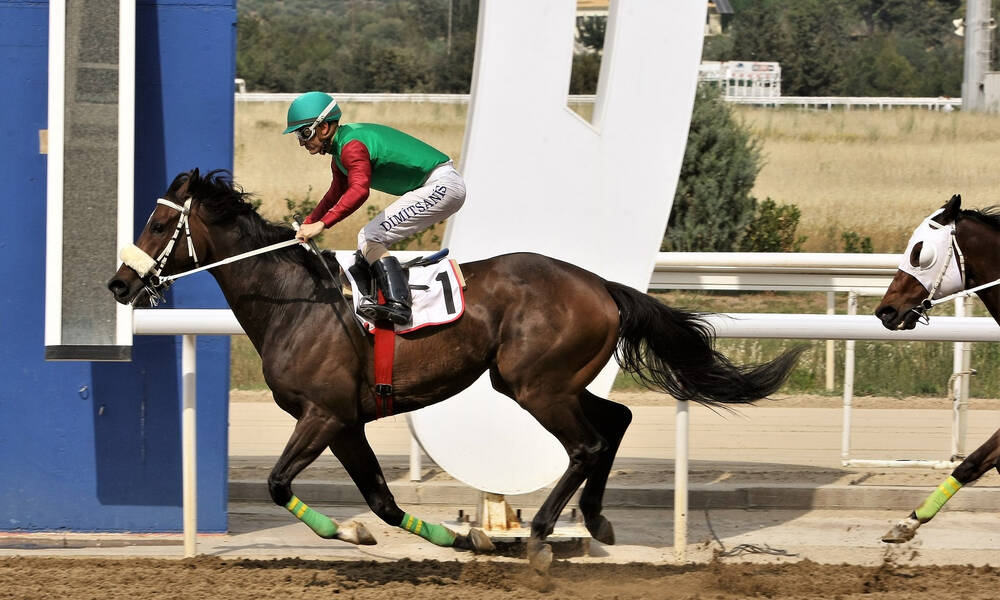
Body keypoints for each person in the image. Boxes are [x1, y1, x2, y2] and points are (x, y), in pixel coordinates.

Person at [285, 91, 466, 325]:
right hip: (436, 184)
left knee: (370, 236)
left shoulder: (351, 147)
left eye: (305, 133)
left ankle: (399, 305)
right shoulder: (340, 153)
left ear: (325, 127)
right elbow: (335, 194)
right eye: (299, 136)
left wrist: (321, 224)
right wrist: (309, 221)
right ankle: (378, 295)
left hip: (442, 185)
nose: (301, 142)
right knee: (369, 242)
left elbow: (359, 191)